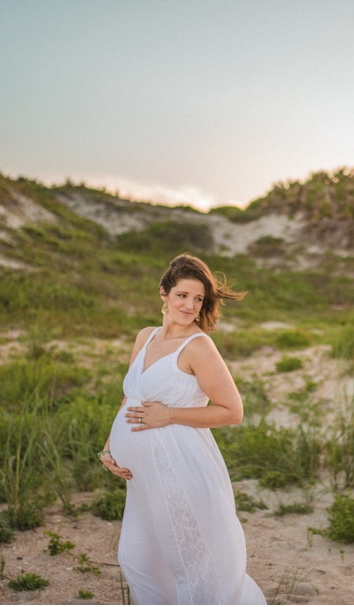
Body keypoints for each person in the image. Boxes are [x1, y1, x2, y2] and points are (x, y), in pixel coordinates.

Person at [100, 254, 266, 605]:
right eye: (182, 296)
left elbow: (232, 411)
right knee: (138, 558)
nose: (190, 305)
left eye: (198, 299)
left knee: (192, 562)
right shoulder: (145, 336)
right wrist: (109, 447)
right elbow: (129, 397)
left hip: (179, 468)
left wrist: (170, 414)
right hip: (142, 477)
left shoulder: (199, 346)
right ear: (163, 293)